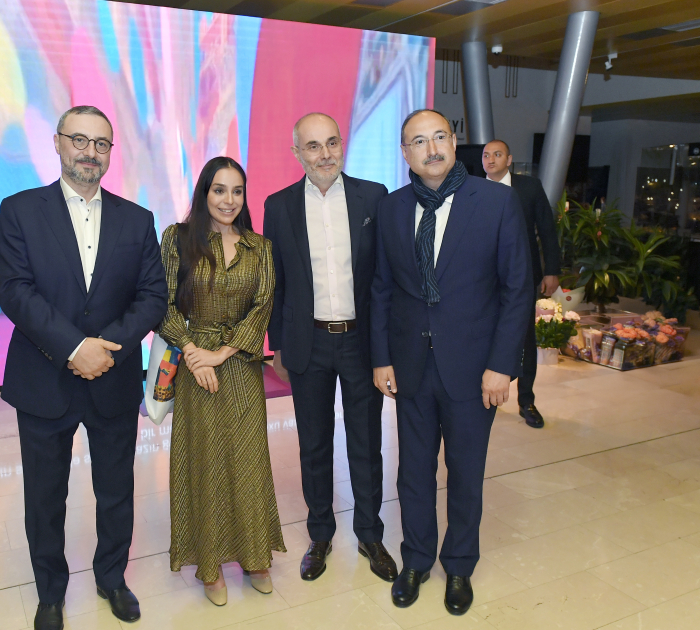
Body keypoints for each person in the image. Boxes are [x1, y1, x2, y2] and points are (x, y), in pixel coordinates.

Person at [0, 106, 167, 630]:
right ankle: (50, 592)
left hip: (113, 378)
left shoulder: (137, 219)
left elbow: (152, 297)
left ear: (111, 152)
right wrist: (74, 348)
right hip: (42, 379)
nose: (90, 152)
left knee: (115, 491)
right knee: (46, 496)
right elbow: (16, 293)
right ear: (57, 143)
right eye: (79, 140)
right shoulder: (20, 210)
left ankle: (112, 578)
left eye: (101, 143)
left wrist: (105, 349)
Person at [371, 110, 531, 615]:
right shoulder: (393, 208)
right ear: (406, 153)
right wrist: (381, 357)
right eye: (419, 141)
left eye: (439, 136)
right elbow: (381, 288)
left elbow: (517, 290)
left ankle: (459, 564)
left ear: (455, 141)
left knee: (465, 472)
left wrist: (502, 365)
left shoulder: (497, 202)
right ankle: (417, 559)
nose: (432, 148)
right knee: (413, 472)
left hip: (474, 368)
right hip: (411, 365)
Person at [264, 113, 397, 583]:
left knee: (366, 443)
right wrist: (277, 345)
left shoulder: (374, 197)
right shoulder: (278, 205)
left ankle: (370, 534)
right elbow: (276, 282)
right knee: (314, 445)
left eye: (332, 143)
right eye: (313, 146)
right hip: (308, 343)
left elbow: (384, 278)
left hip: (361, 342)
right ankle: (320, 534)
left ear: (342, 145)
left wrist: (386, 348)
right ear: (296, 152)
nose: (325, 154)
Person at [156, 156, 285, 607]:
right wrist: (194, 353)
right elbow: (162, 304)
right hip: (196, 368)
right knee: (206, 464)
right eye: (219, 190)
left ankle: (255, 557)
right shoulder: (178, 239)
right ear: (204, 193)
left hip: (240, 366)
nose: (229, 200)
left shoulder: (259, 247)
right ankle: (209, 564)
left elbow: (263, 306)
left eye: (237, 191)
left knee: (249, 463)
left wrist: (222, 352)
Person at [482, 140, 561, 428]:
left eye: (497, 154)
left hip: (522, 276)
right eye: (486, 155)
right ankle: (482, 393)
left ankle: (526, 400)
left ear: (509, 159)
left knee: (525, 338)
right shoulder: (472, 189)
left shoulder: (529, 187)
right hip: (482, 279)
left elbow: (547, 230)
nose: (491, 159)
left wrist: (552, 270)